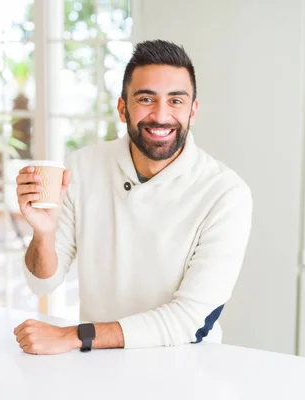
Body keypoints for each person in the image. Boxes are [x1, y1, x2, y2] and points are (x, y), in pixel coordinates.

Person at [13, 39, 253, 355]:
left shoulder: (226, 194)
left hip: (186, 363)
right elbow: (41, 283)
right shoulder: (82, 167)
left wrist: (75, 336)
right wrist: (43, 235)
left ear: (193, 111)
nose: (161, 115)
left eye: (176, 101)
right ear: (123, 107)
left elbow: (190, 320)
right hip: (98, 363)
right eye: (146, 99)